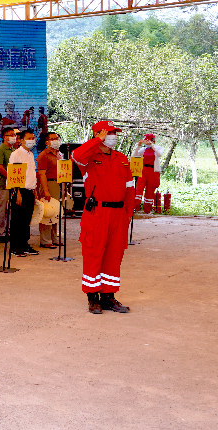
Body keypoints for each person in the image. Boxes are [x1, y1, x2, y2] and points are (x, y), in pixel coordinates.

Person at [71, 121, 134, 314]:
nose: (114, 136)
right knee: (94, 254)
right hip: (97, 213)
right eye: (110, 132)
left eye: (115, 132)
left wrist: (127, 216)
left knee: (114, 256)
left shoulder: (122, 158)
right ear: (100, 134)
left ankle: (109, 297)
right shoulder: (89, 157)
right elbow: (76, 155)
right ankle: (93, 297)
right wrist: (96, 140)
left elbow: (130, 189)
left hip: (118, 214)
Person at [7, 130, 39, 257]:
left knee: (26, 220)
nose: (32, 140)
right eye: (29, 138)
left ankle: (24, 244)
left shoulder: (31, 154)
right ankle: (15, 247)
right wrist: (17, 192)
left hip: (30, 190)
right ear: (21, 140)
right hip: (20, 191)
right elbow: (14, 175)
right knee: (17, 220)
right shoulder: (16, 154)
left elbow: (31, 173)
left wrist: (35, 191)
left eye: (33, 138)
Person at [36, 132, 63, 248]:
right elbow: (41, 174)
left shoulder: (59, 154)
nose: (55, 141)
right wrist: (46, 190)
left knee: (56, 212)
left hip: (58, 184)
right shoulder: (43, 155)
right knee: (47, 211)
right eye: (52, 139)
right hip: (49, 183)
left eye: (57, 138)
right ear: (46, 142)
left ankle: (54, 237)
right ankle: (45, 240)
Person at [0, 127, 18, 243]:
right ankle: (0, 232)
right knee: (2, 208)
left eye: (14, 135)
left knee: (10, 209)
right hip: (3, 183)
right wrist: (11, 177)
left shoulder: (13, 150)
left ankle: (8, 230)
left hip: (12, 184)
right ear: (4, 137)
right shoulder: (1, 149)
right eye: (11, 135)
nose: (14, 137)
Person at [133, 134, 165, 214]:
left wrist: (152, 146)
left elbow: (159, 154)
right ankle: (136, 208)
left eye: (148, 140)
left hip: (153, 171)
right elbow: (134, 156)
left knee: (150, 191)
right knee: (139, 189)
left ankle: (147, 210)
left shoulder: (158, 148)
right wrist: (138, 146)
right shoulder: (143, 149)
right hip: (143, 170)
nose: (146, 143)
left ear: (153, 141)